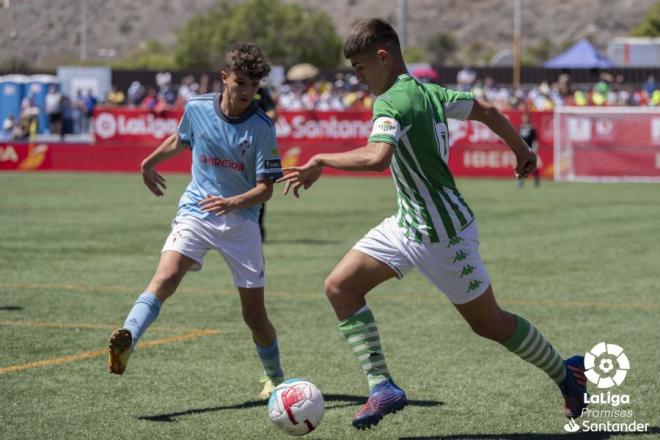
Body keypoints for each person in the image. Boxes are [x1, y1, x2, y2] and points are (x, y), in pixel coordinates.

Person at [278, 18, 587, 429]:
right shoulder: (430, 91)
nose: (358, 77)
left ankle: (568, 376)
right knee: (340, 286)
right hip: (408, 224)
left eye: (360, 66)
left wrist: (320, 160)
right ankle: (381, 385)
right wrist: (522, 151)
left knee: (489, 323)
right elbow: (488, 110)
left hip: (444, 235)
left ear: (383, 57)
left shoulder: (391, 101)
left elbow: (376, 158)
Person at [107, 42, 287, 400]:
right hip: (197, 210)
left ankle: (276, 378)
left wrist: (234, 201)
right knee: (166, 275)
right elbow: (181, 138)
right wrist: (149, 162)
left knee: (254, 316)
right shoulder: (197, 108)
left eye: (253, 86)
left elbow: (266, 188)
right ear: (224, 78)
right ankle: (127, 339)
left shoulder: (263, 127)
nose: (246, 92)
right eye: (240, 83)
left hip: (241, 223)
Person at [253, 85, 278, 241]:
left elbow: (272, 113)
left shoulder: (262, 92)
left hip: (259, 145)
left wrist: (258, 124)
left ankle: (258, 228)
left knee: (261, 188)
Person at [517, 111, 540, 188]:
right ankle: (520, 182)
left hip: (530, 150)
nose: (524, 118)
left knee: (531, 166)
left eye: (525, 117)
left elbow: (535, 141)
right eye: (523, 117)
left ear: (528, 118)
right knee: (521, 166)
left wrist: (534, 151)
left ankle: (536, 179)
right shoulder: (521, 127)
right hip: (522, 150)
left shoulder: (532, 128)